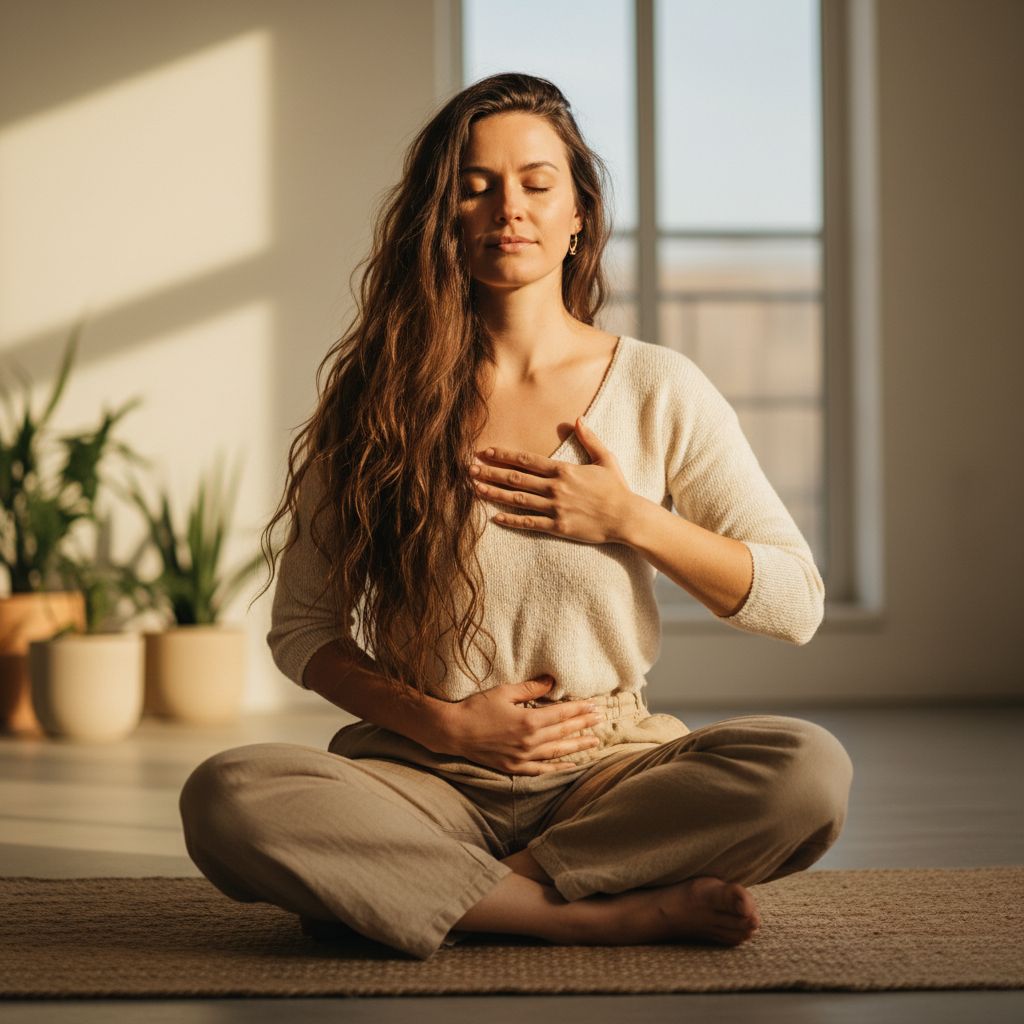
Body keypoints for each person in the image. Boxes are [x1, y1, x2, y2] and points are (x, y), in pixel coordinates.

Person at [178, 72, 853, 962]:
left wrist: (631, 519)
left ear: (579, 213)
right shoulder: (376, 399)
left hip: (606, 774)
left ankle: (427, 891)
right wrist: (444, 725)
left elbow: (794, 602)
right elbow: (303, 630)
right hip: (424, 773)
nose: (510, 209)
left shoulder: (659, 386)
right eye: (476, 184)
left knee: (806, 771)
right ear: (442, 215)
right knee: (227, 792)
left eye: (537, 184)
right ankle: (591, 912)